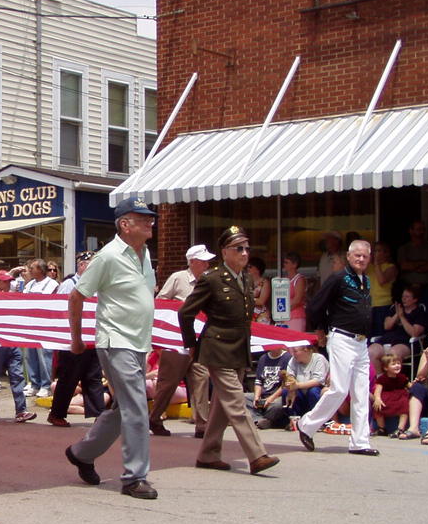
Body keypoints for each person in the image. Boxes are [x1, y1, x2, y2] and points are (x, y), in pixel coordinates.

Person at [65, 199, 158, 498]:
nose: (150, 222)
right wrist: (76, 339)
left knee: (124, 410)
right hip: (116, 341)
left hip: (138, 341)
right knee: (137, 407)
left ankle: (82, 452)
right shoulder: (107, 257)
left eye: (150, 218)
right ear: (124, 224)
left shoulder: (144, 254)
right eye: (142, 218)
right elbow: (77, 297)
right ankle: (134, 477)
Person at [179, 226, 280, 475]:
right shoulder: (212, 278)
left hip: (238, 349)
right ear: (225, 252)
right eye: (239, 248)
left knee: (223, 406)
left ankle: (208, 454)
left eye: (247, 248)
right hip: (217, 348)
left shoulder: (246, 278)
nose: (245, 253)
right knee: (236, 402)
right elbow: (186, 312)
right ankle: (257, 455)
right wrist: (191, 344)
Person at [293, 239, 379, 456]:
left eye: (365, 256)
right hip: (342, 339)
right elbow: (315, 305)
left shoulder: (366, 281)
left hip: (361, 342)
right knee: (339, 389)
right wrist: (320, 329)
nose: (360, 259)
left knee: (361, 391)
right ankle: (307, 425)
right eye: (357, 255)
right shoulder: (339, 278)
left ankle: (360, 442)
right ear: (349, 257)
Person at [148, 243, 214, 437]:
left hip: (199, 339)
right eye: (203, 261)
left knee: (200, 379)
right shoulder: (178, 278)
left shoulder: (210, 281)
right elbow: (160, 303)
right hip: (176, 340)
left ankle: (202, 425)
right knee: (168, 383)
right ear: (192, 262)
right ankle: (154, 418)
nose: (207, 265)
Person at [49, 251, 105, 427]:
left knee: (93, 377)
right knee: (69, 377)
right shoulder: (68, 284)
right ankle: (56, 413)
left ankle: (99, 415)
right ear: (81, 265)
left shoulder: (98, 284)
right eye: (89, 263)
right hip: (72, 338)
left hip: (93, 337)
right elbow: (59, 309)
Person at [0, 271, 37, 424]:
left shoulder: (12, 298)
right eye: (5, 282)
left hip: (12, 342)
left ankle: (21, 410)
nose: (8, 284)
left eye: (9, 281)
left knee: (17, 376)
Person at [368, 285, 428, 372]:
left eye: (407, 297)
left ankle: (392, 380)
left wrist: (402, 317)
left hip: (405, 342)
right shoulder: (395, 309)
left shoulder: (419, 312)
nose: (403, 299)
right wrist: (397, 315)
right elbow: (387, 326)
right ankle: (380, 379)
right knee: (371, 352)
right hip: (387, 339)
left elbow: (414, 333)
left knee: (393, 354)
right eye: (403, 296)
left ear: (415, 299)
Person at [22, 258, 59, 398]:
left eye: (33, 268)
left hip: (45, 326)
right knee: (30, 356)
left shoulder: (52, 284)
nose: (30, 270)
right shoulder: (30, 284)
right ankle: (34, 384)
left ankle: (46, 385)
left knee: (44, 356)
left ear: (41, 270)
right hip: (30, 325)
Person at [397, 220, 428, 313]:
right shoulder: (404, 248)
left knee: (427, 312)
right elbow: (404, 266)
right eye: (418, 229)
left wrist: (412, 265)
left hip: (426, 287)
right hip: (408, 287)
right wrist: (423, 263)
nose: (421, 232)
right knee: (409, 313)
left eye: (423, 229)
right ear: (411, 231)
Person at [247, 346, 290, 430]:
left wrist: (271, 398)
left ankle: (267, 420)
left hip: (277, 396)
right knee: (242, 397)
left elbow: (285, 384)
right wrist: (256, 397)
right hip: (263, 394)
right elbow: (258, 381)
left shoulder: (287, 357)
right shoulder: (263, 358)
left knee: (279, 405)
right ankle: (258, 420)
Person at [284, 343, 328, 420]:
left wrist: (297, 385)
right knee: (286, 391)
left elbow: (318, 380)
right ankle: (294, 419)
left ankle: (317, 419)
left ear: (305, 350)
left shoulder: (319, 359)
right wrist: (292, 387)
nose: (293, 354)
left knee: (313, 391)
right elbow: (289, 376)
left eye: (295, 351)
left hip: (317, 390)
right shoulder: (293, 360)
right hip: (300, 392)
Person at [372, 353, 410, 436]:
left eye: (398, 363)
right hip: (387, 399)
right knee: (378, 407)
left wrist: (415, 383)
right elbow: (378, 390)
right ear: (386, 368)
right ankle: (381, 428)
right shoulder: (382, 378)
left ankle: (400, 429)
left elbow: (409, 386)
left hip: (399, 398)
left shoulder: (402, 377)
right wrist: (377, 399)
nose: (397, 366)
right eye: (393, 364)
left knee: (405, 406)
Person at [369, 241, 398, 335]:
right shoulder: (369, 267)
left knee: (381, 334)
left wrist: (377, 264)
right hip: (369, 305)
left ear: (386, 253)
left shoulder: (391, 267)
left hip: (383, 305)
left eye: (378, 251)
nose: (375, 253)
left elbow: (382, 281)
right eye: (374, 251)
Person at [282, 251, 307, 332]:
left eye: (287, 262)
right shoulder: (285, 279)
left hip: (296, 316)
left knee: (295, 343)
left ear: (294, 264)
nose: (284, 264)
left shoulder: (299, 279)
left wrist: (284, 311)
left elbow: (298, 299)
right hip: (284, 316)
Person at [247, 256, 272, 324]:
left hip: (261, 315)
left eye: (250, 267)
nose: (247, 268)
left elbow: (261, 301)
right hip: (248, 315)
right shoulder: (246, 282)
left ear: (257, 269)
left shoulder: (265, 282)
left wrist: (246, 299)